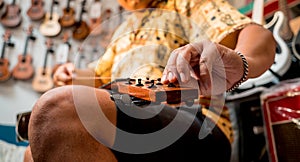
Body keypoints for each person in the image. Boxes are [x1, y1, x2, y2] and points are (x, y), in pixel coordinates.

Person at [24, 0, 276, 161]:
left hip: (195, 122)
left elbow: (257, 36)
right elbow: (100, 80)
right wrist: (70, 75)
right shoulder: (121, 32)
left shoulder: (187, 4)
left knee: (56, 111)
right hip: (128, 108)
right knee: (32, 151)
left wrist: (241, 62)